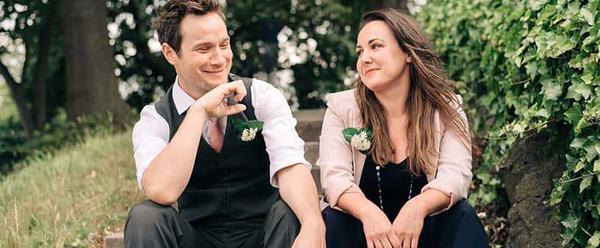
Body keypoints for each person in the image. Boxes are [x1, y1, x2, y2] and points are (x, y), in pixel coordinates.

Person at [124, 1, 325, 247]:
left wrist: (314, 223)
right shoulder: (155, 119)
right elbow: (161, 190)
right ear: (170, 53)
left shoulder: (261, 96)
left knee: (293, 211)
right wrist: (198, 112)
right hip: (196, 239)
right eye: (204, 49)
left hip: (266, 237)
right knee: (145, 217)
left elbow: (291, 167)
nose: (219, 59)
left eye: (224, 44)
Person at [318, 8, 488, 248]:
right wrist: (367, 212)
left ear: (407, 52)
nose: (364, 58)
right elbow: (334, 179)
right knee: (333, 220)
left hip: (423, 236)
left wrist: (418, 207)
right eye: (360, 51)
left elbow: (455, 175)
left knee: (463, 216)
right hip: (364, 237)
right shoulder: (341, 108)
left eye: (375, 46)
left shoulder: (445, 107)